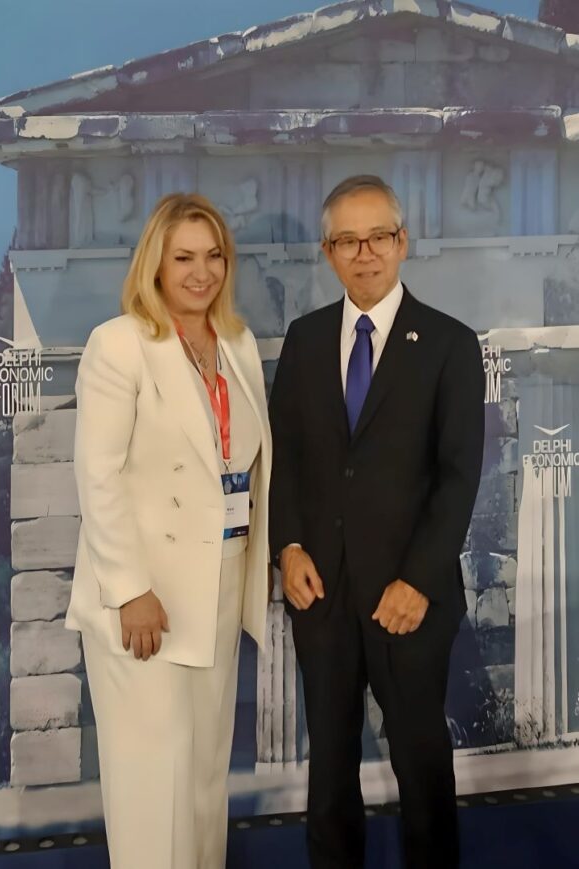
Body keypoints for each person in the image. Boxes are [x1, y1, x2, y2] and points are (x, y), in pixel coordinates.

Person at [269, 175, 485, 869]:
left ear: (403, 242)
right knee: (330, 774)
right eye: (348, 240)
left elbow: (458, 477)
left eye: (379, 237)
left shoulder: (450, 343)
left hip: (409, 600)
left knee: (422, 771)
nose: (365, 254)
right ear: (328, 251)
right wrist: (287, 546)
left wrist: (418, 580)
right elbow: (285, 460)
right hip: (322, 597)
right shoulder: (303, 341)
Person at [65, 192, 271, 869]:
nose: (201, 272)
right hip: (146, 599)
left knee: (204, 784)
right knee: (154, 787)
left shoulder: (237, 342)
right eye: (184, 257)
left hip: (220, 584)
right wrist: (129, 590)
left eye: (214, 256)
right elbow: (98, 476)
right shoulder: (119, 344)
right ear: (154, 263)